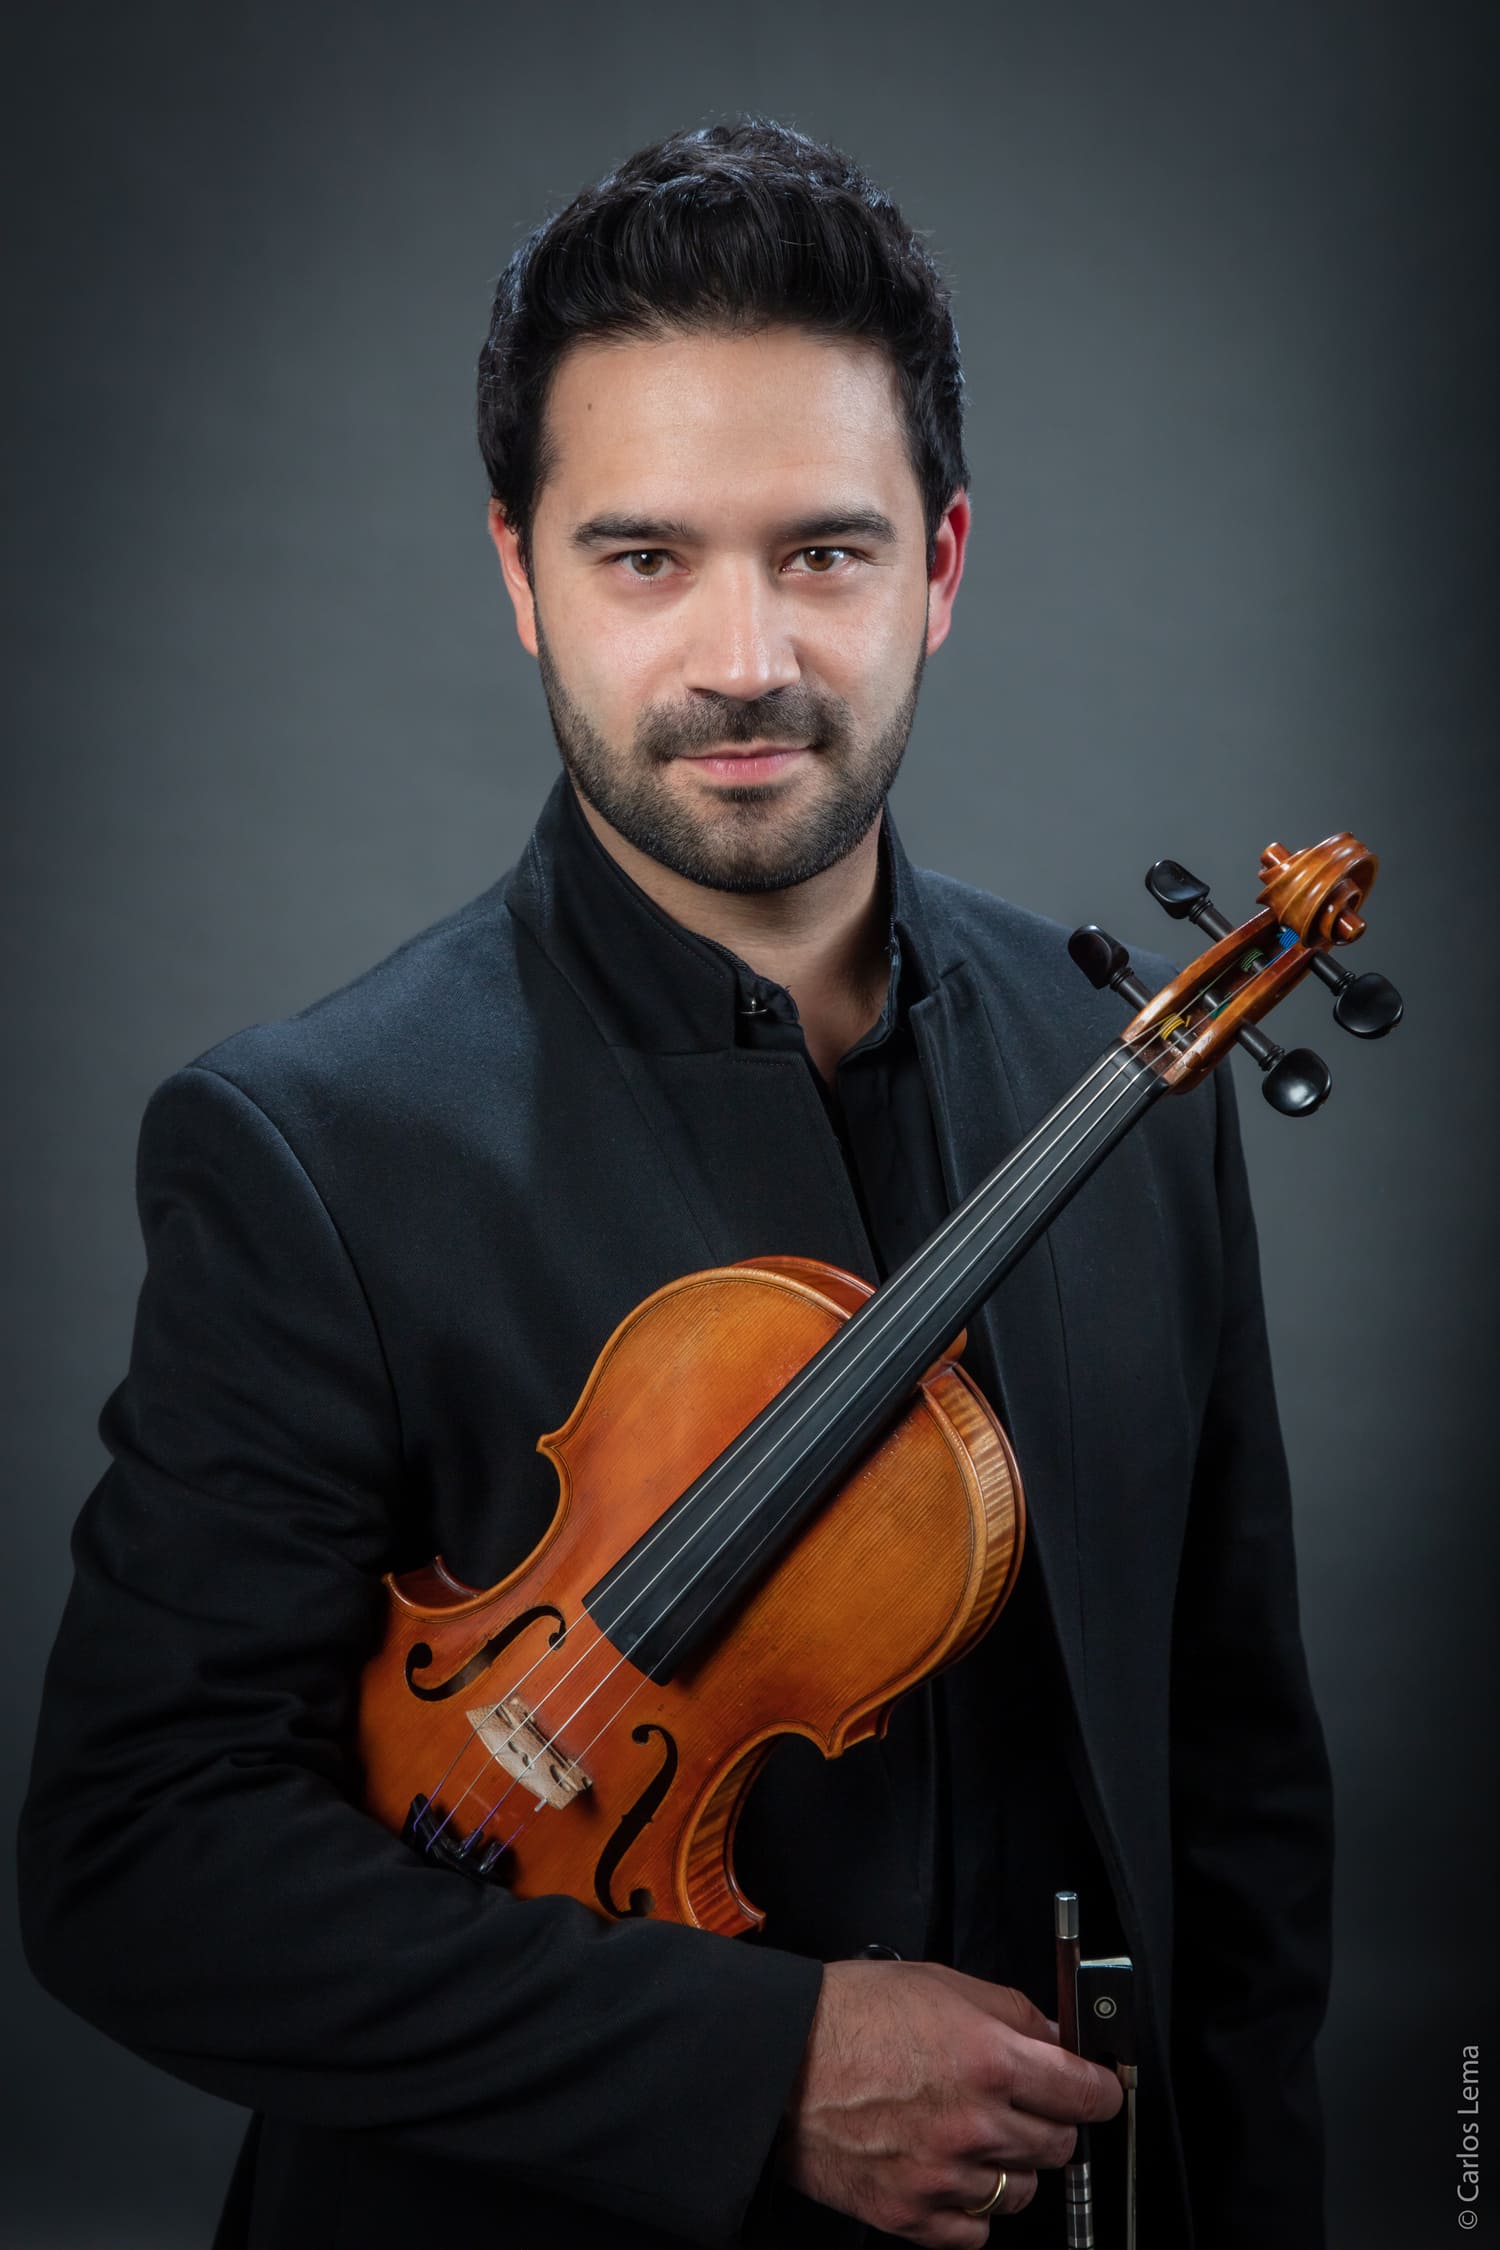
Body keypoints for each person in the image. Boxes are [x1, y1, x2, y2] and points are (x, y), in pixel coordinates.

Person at [18, 118, 1334, 2250]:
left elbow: (1242, 1802)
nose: (744, 657)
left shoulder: (1138, 1073)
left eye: (823, 552)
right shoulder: (312, 1145)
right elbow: (136, 1865)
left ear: (942, 565)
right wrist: (760, 2064)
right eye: (645, 558)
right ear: (520, 574)